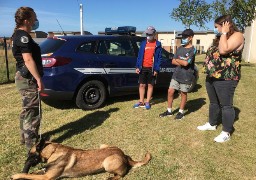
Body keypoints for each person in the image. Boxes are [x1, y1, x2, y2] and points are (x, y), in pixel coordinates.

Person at [197, 15, 244, 143]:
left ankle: (226, 132)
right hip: (212, 76)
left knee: (226, 106)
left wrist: (223, 32)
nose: (215, 30)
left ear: (225, 25)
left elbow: (224, 50)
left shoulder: (237, 35)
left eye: (217, 27)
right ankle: (212, 124)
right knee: (213, 103)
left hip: (226, 77)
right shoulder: (220, 37)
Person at [12, 7, 44, 150]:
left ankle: (24, 138)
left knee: (27, 109)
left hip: (23, 76)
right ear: (27, 20)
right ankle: (32, 145)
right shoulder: (23, 36)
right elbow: (28, 60)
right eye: (34, 18)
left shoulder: (19, 35)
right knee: (32, 111)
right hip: (27, 77)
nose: (35, 21)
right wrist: (38, 79)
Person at [159, 29, 196, 120]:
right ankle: (169, 111)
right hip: (176, 74)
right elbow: (173, 61)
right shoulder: (179, 48)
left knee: (183, 93)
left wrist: (179, 61)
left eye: (185, 37)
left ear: (190, 38)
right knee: (170, 91)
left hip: (186, 76)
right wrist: (182, 61)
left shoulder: (193, 50)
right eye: (182, 37)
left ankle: (181, 112)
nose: (183, 38)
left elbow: (186, 64)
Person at [133, 26, 162, 110]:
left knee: (150, 85)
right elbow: (139, 56)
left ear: (154, 34)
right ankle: (141, 101)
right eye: (147, 34)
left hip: (152, 68)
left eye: (150, 34)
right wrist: (137, 66)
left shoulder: (158, 44)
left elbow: (159, 58)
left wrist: (156, 69)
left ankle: (147, 101)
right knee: (141, 84)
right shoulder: (143, 43)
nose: (148, 35)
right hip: (143, 67)